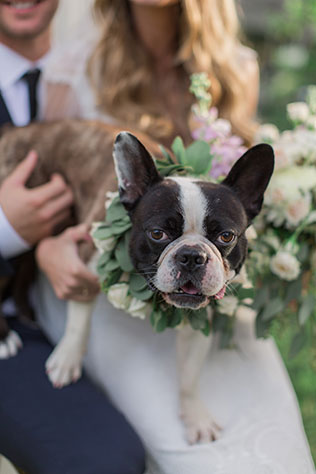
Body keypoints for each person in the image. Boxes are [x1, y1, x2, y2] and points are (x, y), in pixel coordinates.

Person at [28, 0, 316, 473]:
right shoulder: (74, 64)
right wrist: (46, 248)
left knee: (269, 448)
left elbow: (240, 199)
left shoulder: (236, 65)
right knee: (191, 455)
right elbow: (48, 176)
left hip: (214, 301)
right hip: (103, 287)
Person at [0, 2, 146, 473]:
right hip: (11, 329)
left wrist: (46, 245)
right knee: (100, 459)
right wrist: (5, 229)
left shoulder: (103, 69)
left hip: (99, 302)